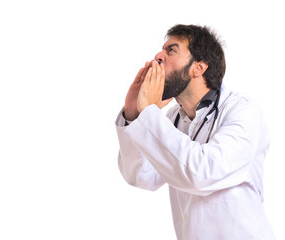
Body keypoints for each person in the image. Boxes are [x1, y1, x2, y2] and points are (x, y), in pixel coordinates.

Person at [115, 24, 275, 240]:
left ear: (198, 68)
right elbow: (143, 177)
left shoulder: (243, 111)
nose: (158, 56)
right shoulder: (174, 118)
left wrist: (149, 113)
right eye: (162, 49)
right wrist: (133, 114)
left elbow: (202, 174)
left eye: (171, 50)